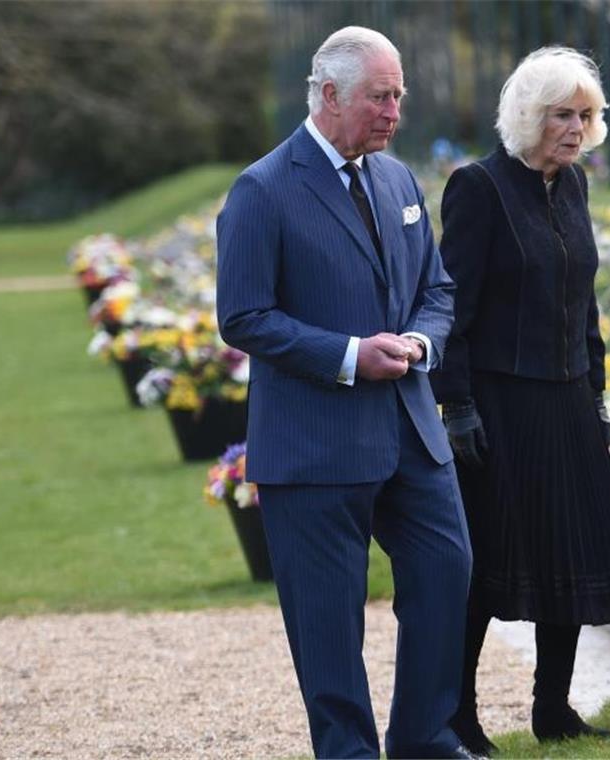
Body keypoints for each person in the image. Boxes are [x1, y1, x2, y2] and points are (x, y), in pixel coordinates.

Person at [216, 26, 475, 760]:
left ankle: (424, 739)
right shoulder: (262, 189)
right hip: (314, 443)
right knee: (329, 622)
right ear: (329, 95)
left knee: (446, 571)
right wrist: (350, 355)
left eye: (399, 95)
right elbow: (242, 316)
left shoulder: (397, 179)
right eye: (380, 96)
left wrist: (421, 341)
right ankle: (348, 752)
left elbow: (436, 288)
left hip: (410, 433)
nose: (395, 111)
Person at [430, 47, 610, 754]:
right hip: (499, 407)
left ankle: (552, 711)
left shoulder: (574, 185)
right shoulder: (477, 188)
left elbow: (582, 299)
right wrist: (456, 406)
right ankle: (457, 717)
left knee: (574, 556)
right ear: (529, 114)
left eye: (586, 115)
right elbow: (451, 308)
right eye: (563, 114)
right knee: (486, 568)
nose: (576, 127)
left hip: (567, 402)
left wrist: (598, 389)